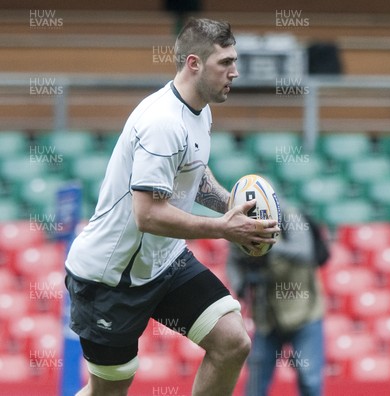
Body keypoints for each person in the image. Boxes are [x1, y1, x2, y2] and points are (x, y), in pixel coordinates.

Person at [64, 18, 280, 396]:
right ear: (194, 63)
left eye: (234, 61)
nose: (235, 71)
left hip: (164, 263)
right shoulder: (163, 122)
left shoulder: (200, 110)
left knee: (232, 343)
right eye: (225, 63)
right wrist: (224, 229)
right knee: (109, 392)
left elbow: (193, 174)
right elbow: (147, 215)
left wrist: (232, 206)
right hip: (111, 278)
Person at [227, 205, 326, 396]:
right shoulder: (241, 224)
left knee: (309, 379)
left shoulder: (290, 216)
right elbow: (233, 261)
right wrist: (240, 284)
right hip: (266, 316)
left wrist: (269, 246)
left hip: (304, 312)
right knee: (255, 383)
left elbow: (305, 252)